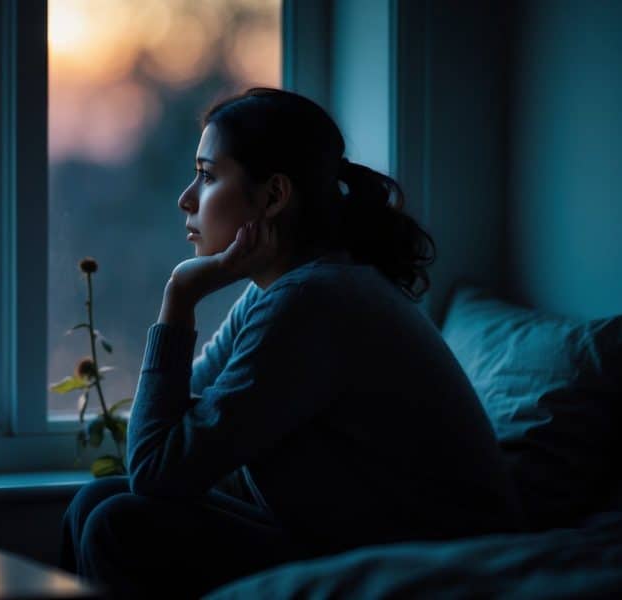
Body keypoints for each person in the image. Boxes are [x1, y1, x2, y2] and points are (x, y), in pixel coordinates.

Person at [59, 88, 523, 599]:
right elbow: (163, 442)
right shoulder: (284, 291)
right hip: (342, 537)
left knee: (118, 523)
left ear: (274, 196)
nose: (186, 198)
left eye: (209, 176)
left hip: (421, 557)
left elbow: (153, 468)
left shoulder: (313, 300)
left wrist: (180, 296)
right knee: (96, 500)